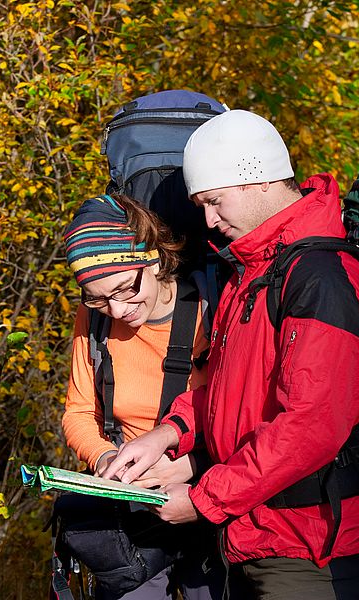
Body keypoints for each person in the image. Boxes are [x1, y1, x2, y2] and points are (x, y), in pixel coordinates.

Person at [102, 110, 359, 600]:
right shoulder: (250, 271)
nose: (208, 219)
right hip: (252, 535)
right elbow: (228, 391)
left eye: (214, 201)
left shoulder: (321, 275)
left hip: (310, 551)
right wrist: (167, 434)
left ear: (256, 178)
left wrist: (205, 500)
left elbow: (313, 424)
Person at [62, 192, 232, 600]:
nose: (118, 311)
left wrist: (191, 465)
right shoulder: (95, 321)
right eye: (98, 298)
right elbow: (79, 412)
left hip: (206, 496)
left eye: (124, 288)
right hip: (131, 516)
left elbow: (243, 415)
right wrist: (105, 460)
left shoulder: (213, 310)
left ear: (154, 259)